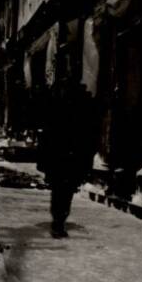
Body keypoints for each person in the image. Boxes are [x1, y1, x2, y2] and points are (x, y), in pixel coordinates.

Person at [37, 82, 96, 238]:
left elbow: (46, 137)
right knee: (65, 191)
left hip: (62, 158)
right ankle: (59, 221)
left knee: (60, 191)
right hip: (68, 158)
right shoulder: (78, 112)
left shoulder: (57, 111)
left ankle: (58, 221)